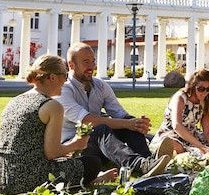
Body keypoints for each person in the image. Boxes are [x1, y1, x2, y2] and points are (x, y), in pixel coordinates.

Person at [0, 54, 118, 195]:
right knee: (93, 163)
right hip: (28, 178)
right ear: (52, 77)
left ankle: (87, 181)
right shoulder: (52, 106)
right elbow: (52, 152)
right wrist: (77, 144)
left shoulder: (15, 100)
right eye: (65, 76)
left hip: (3, 178)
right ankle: (91, 180)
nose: (66, 82)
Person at [56, 43, 171, 181]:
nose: (91, 66)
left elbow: (120, 114)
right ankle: (140, 165)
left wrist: (137, 123)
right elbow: (87, 120)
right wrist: (128, 123)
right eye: (86, 62)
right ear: (71, 65)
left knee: (130, 123)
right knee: (100, 128)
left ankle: (149, 163)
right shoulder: (63, 90)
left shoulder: (100, 85)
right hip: (74, 147)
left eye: (93, 61)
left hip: (99, 146)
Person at [150, 68, 209, 156]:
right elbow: (177, 126)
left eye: (208, 89)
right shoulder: (180, 97)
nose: (204, 92)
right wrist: (201, 147)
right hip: (172, 135)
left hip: (193, 136)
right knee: (173, 145)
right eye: (201, 89)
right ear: (193, 86)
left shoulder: (204, 101)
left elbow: (207, 131)